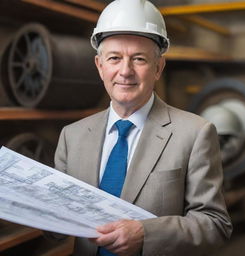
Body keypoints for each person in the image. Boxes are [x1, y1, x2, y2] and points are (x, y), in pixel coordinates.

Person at [53, 0, 232, 255]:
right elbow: (56, 226)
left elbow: (215, 223)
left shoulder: (195, 133)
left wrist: (147, 234)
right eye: (114, 58)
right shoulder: (72, 136)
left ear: (158, 68)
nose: (125, 71)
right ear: (99, 66)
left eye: (139, 59)